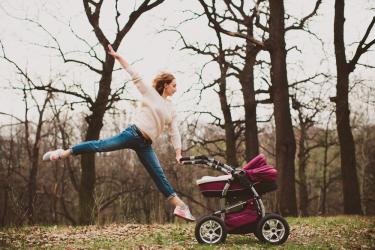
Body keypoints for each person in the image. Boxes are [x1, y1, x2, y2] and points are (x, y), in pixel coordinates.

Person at [42, 44, 195, 222]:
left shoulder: (171, 108)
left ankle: (180, 206)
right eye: (174, 85)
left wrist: (178, 152)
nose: (176, 89)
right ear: (166, 85)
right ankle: (64, 152)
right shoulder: (150, 93)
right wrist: (116, 56)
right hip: (133, 134)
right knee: (100, 146)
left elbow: (174, 131)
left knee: (158, 174)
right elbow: (133, 73)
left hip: (145, 144)